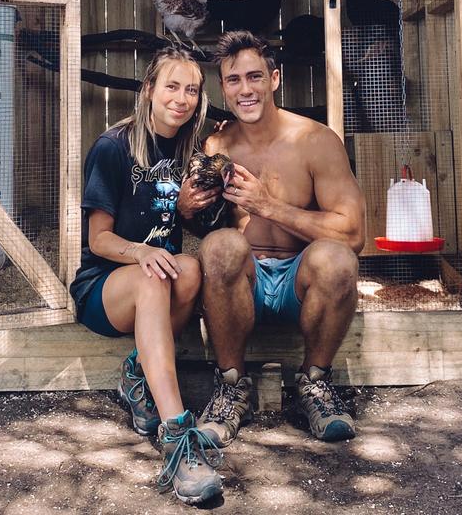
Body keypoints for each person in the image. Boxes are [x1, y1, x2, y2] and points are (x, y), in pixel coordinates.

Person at [196, 30, 366, 447]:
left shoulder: (315, 140)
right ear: (224, 88)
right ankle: (232, 385)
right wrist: (187, 207)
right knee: (220, 247)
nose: (245, 89)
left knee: (338, 260)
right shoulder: (216, 144)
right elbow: (200, 227)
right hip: (244, 286)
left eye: (255, 77)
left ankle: (315, 384)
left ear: (274, 80)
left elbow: (354, 233)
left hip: (301, 284)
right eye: (234, 80)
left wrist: (268, 205)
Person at [69, 47, 223, 504]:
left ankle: (136, 375)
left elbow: (172, 221)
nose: (182, 98)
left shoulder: (188, 151)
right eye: (171, 86)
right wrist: (140, 251)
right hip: (105, 286)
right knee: (158, 272)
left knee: (191, 270)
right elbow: (98, 239)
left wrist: (184, 211)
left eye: (191, 89)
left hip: (155, 278)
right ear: (149, 90)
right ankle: (177, 435)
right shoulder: (113, 147)